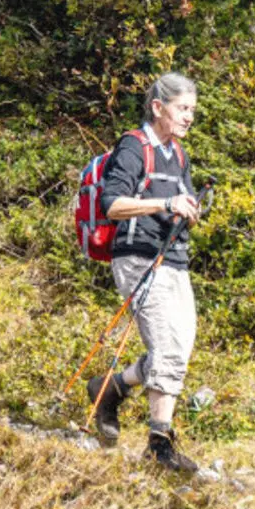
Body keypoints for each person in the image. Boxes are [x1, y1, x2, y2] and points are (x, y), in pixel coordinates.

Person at [86, 73, 202, 473]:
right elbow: (112, 204)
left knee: (178, 350)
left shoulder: (178, 154)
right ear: (157, 107)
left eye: (192, 110)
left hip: (174, 259)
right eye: (182, 109)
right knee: (168, 350)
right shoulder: (134, 147)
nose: (189, 117)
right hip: (137, 258)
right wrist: (164, 204)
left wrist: (190, 209)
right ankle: (158, 445)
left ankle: (110, 388)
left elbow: (181, 199)